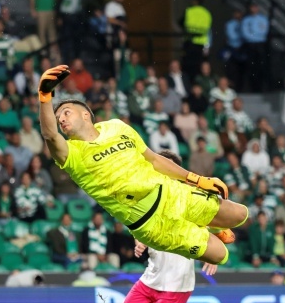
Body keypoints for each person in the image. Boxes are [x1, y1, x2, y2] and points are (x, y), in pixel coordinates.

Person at [38, 65, 247, 265]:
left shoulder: (116, 126)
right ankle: (205, 229)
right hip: (151, 224)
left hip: (171, 193)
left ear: (85, 114)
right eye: (57, 118)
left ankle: (207, 223)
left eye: (66, 112)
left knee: (240, 214)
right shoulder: (70, 154)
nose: (61, 119)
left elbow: (154, 159)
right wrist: (45, 97)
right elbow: (49, 134)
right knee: (221, 255)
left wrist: (197, 179)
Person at [115, 150, 218, 303]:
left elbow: (217, 224)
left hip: (176, 283)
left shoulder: (190, 198)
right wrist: (140, 239)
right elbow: (140, 225)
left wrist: (214, 253)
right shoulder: (150, 194)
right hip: (152, 275)